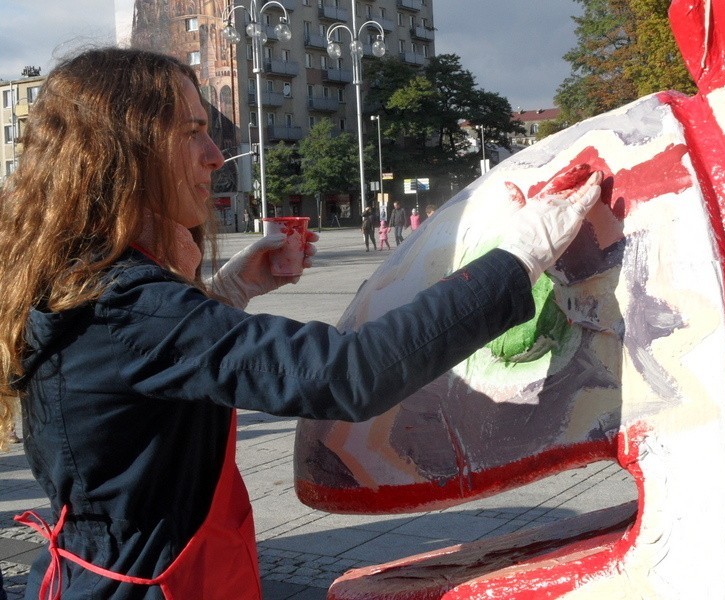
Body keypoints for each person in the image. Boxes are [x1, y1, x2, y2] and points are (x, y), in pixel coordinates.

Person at [0, 47, 601, 600]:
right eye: (192, 133)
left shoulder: (84, 277)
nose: (216, 156)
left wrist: (230, 291)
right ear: (124, 152)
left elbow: (145, 378)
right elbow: (349, 373)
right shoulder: (127, 305)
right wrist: (517, 260)